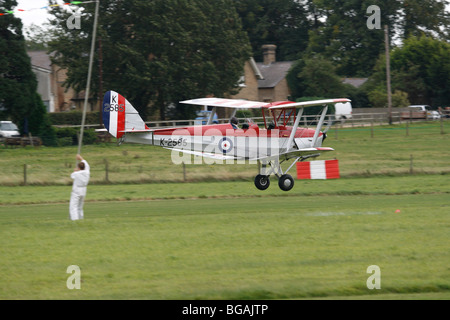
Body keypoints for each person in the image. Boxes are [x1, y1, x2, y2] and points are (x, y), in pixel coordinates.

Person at [69, 154, 90, 220]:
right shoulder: (87, 172)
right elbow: (87, 165)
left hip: (77, 190)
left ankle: (75, 220)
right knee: (80, 206)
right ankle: (81, 218)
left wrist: (75, 171)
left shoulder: (76, 174)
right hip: (83, 190)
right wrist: (81, 158)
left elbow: (72, 176)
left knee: (73, 206)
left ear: (78, 167)